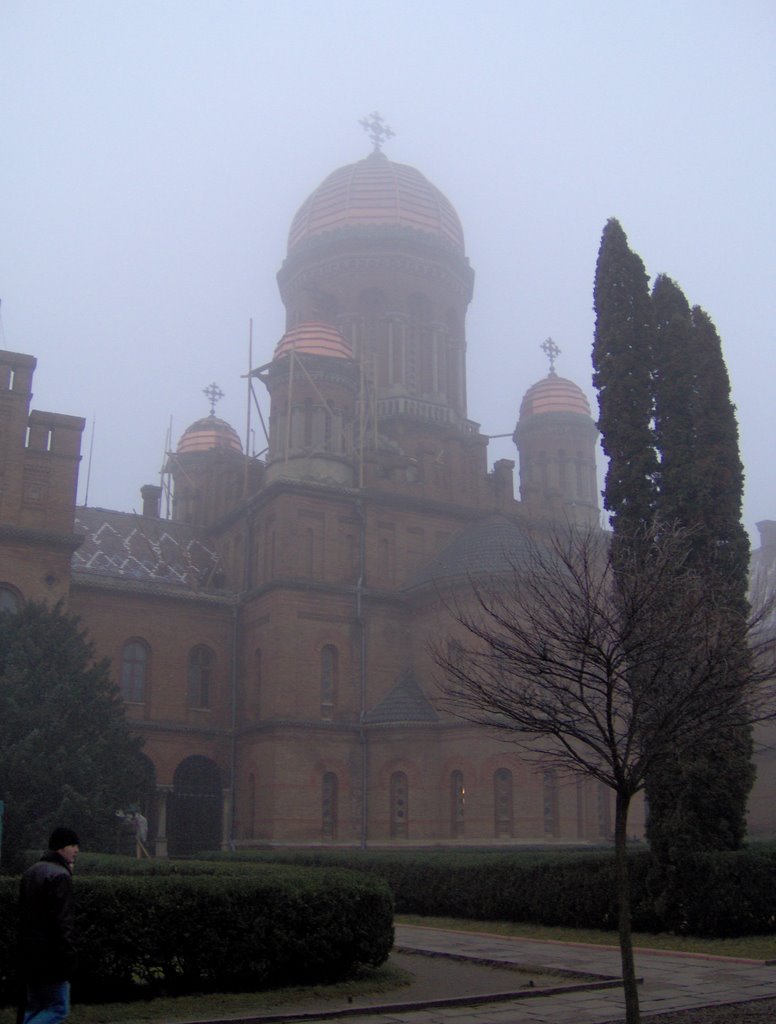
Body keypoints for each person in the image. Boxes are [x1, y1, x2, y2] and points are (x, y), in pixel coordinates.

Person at [18, 828, 79, 1024]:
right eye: (72, 845)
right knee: (57, 1008)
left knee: (35, 1006)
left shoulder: (32, 872)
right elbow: (63, 922)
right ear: (61, 848)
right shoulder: (60, 877)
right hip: (52, 957)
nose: (76, 850)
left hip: (30, 953)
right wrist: (68, 956)